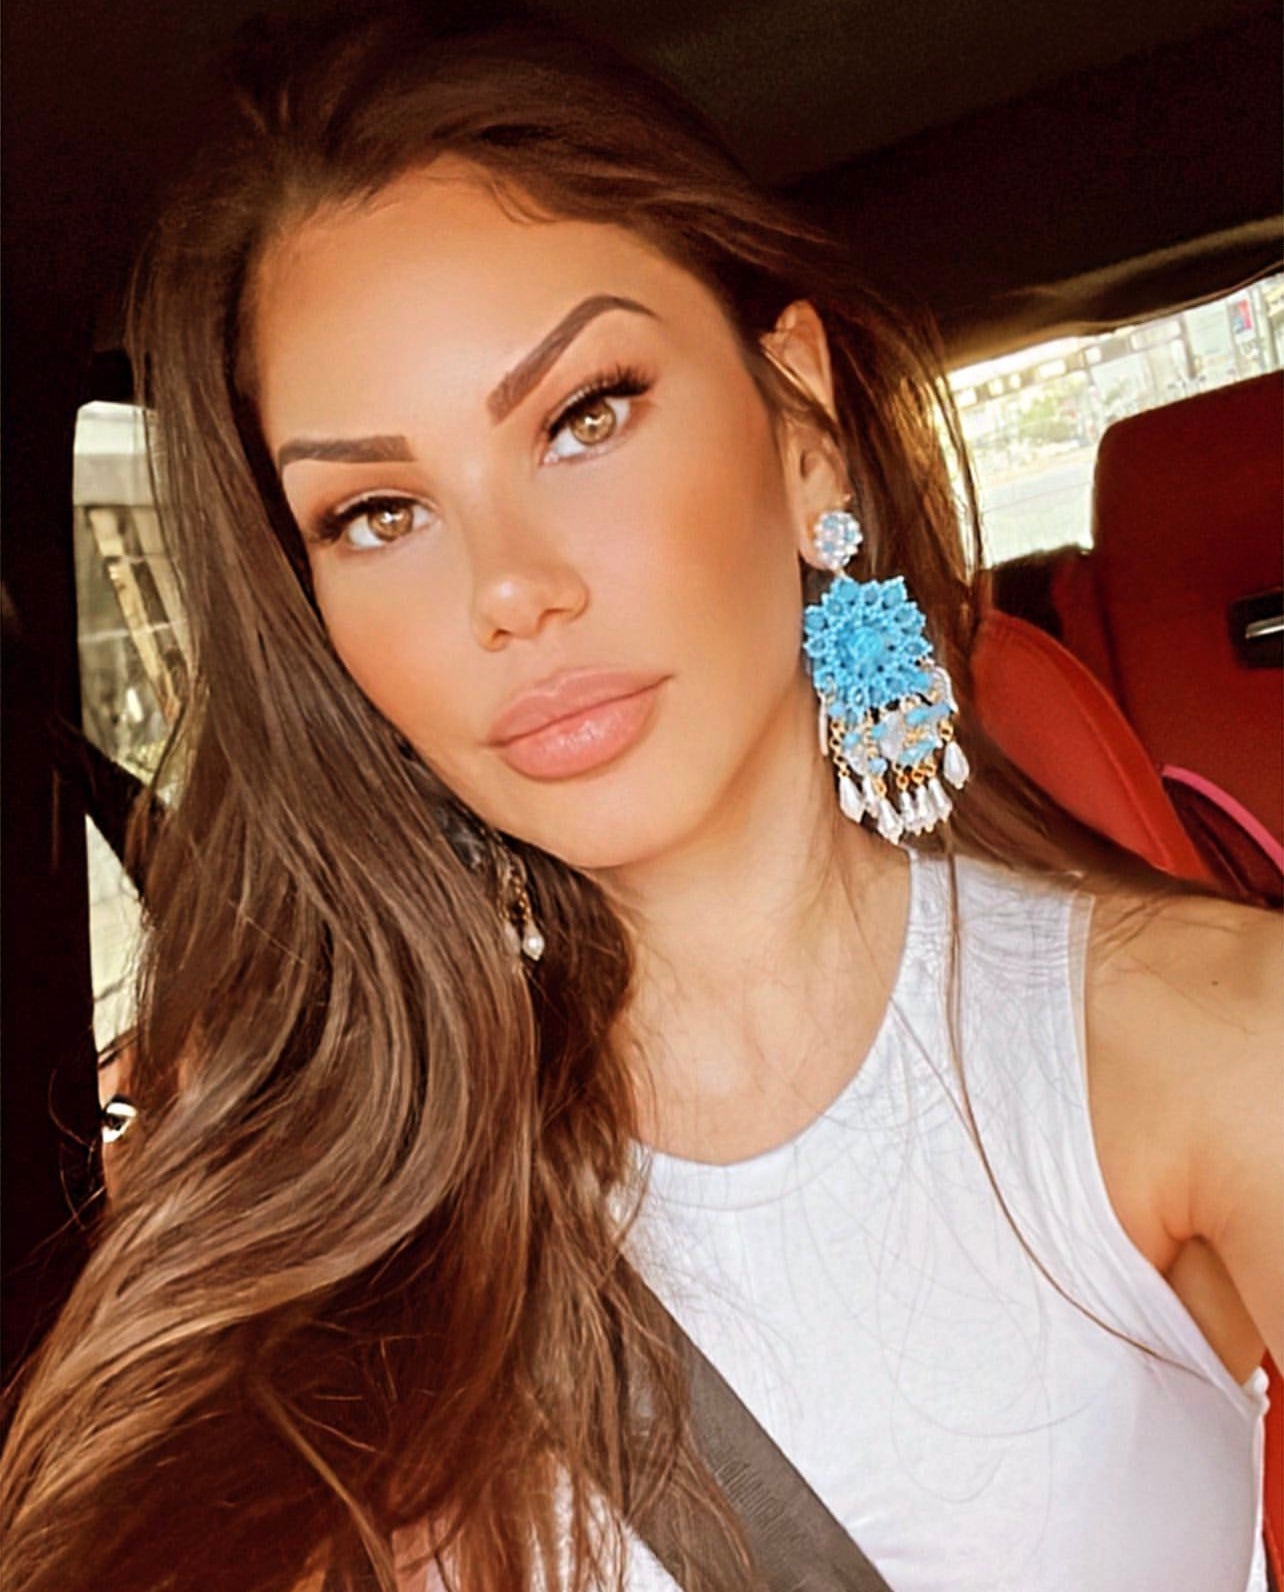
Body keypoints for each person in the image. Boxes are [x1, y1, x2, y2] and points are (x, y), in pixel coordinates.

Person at [2, 11, 1279, 1592]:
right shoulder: (309, 1175)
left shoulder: (1198, 1044)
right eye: (380, 513)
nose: (510, 589)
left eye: (584, 417)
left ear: (798, 421)